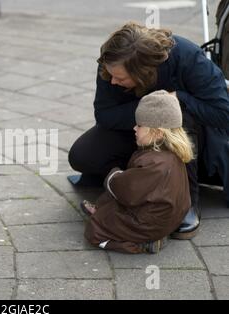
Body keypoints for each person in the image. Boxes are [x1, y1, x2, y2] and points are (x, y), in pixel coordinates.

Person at [68, 22, 229, 240]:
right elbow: (104, 115)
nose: (113, 81)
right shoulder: (111, 63)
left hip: (189, 139)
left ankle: (186, 200)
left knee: (174, 112)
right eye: (111, 75)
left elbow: (222, 113)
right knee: (82, 157)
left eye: (121, 78)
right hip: (135, 128)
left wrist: (177, 99)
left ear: (142, 71)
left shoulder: (188, 56)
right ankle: (136, 179)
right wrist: (150, 107)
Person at [83, 90, 193, 254]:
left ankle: (138, 244)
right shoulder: (171, 154)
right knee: (110, 203)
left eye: (140, 125)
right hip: (167, 218)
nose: (134, 128)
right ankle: (103, 211)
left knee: (94, 229)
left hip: (147, 224)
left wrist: (113, 175)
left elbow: (126, 190)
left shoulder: (153, 164)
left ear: (157, 132)